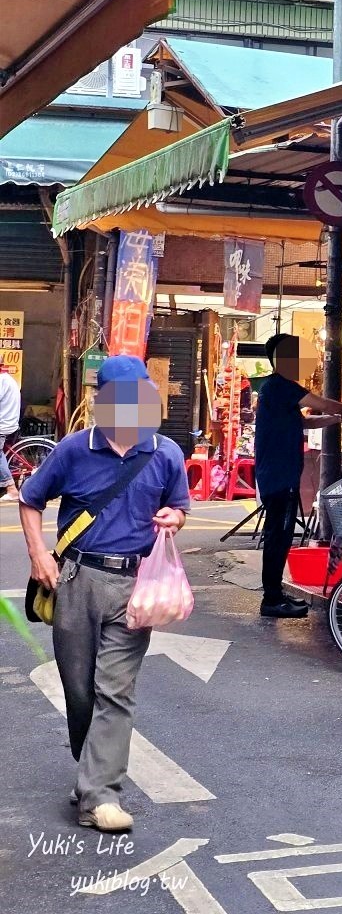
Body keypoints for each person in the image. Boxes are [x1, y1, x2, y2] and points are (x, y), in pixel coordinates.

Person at [18, 355, 189, 833]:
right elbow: (30, 500)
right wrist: (39, 555)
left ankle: (99, 795)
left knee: (114, 689)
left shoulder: (165, 454)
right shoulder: (74, 450)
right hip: (74, 579)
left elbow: (178, 506)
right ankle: (93, 771)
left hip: (135, 586)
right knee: (79, 690)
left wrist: (174, 518)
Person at [256, 333, 342, 619]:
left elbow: (305, 420)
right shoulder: (280, 386)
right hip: (279, 475)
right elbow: (322, 404)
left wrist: (340, 419)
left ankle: (275, 592)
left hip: (279, 473)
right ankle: (272, 599)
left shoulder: (277, 390)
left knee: (280, 534)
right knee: (278, 535)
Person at [0, 364, 19, 497]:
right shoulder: (7, 378)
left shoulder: (1, 380)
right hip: (9, 421)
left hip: (4, 424)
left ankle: (11, 489)